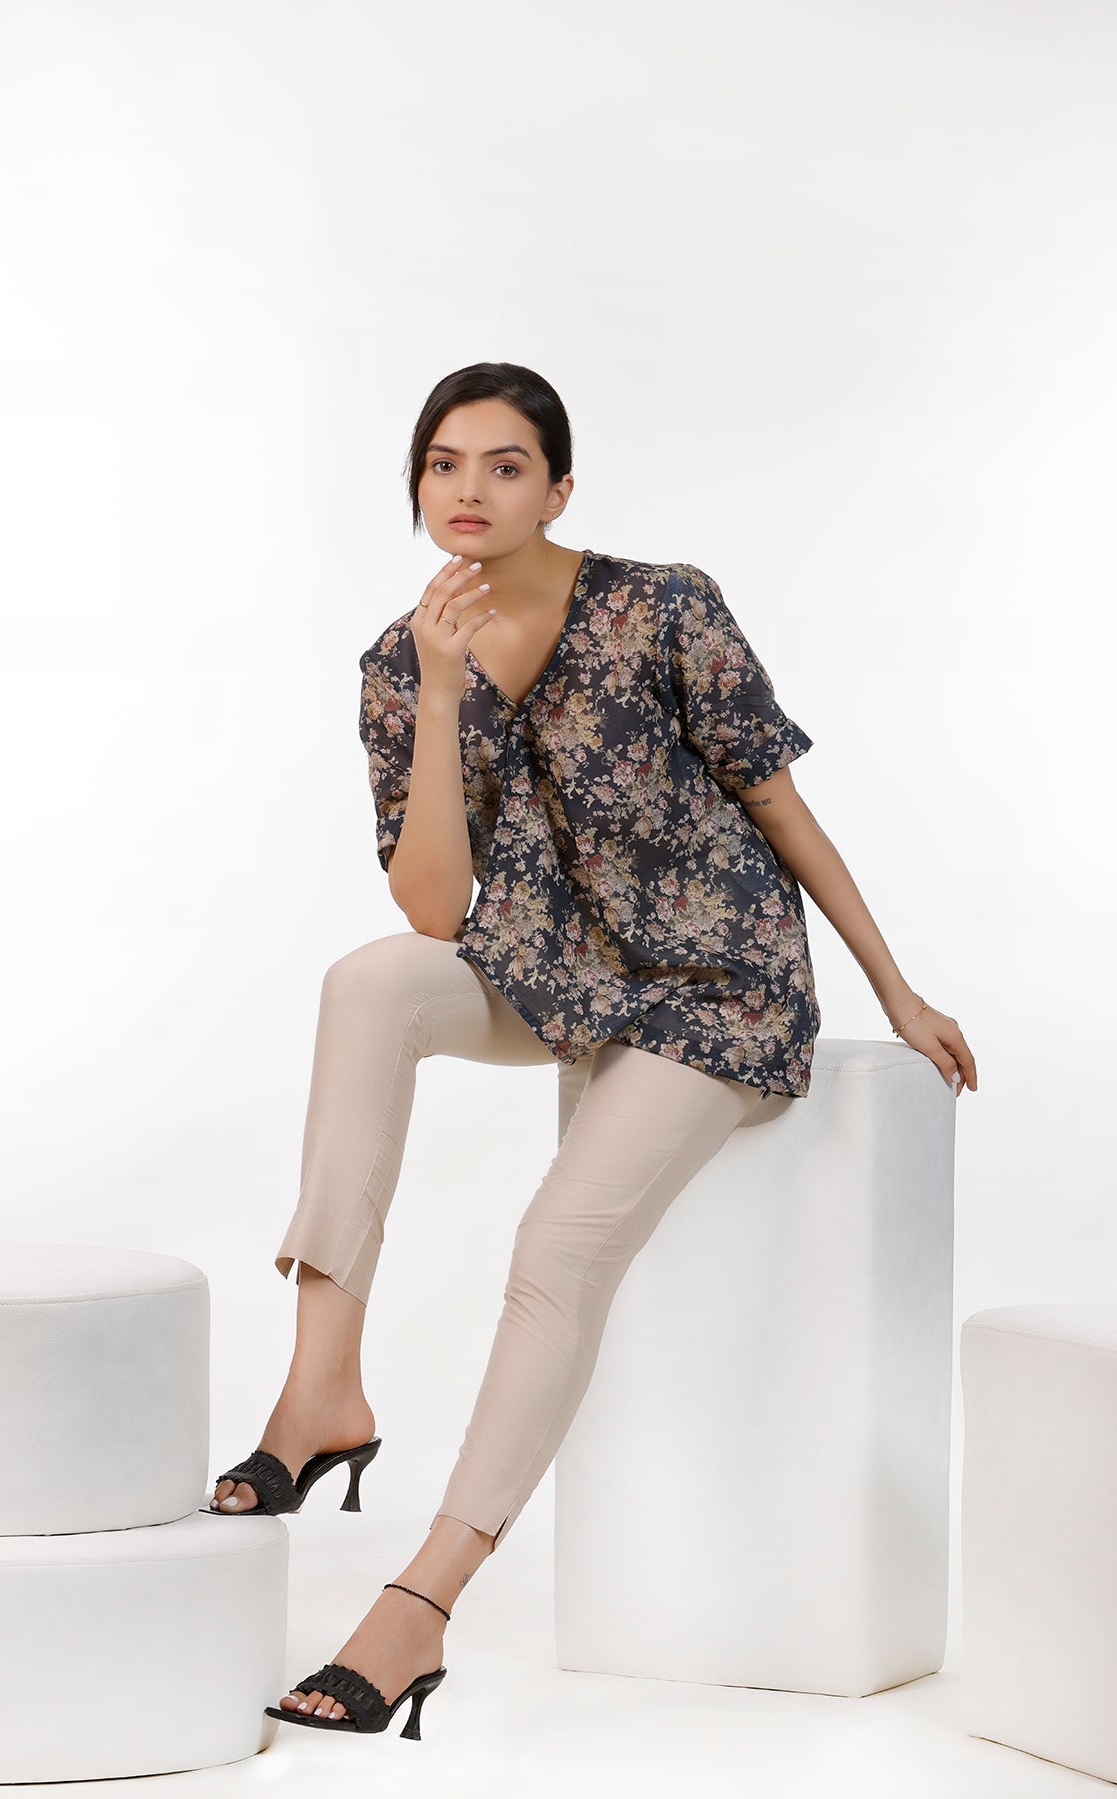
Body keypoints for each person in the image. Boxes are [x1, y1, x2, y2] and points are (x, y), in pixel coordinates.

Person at [208, 361, 978, 1739]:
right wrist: (438, 690)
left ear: (559, 489)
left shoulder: (666, 604)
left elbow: (780, 806)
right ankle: (322, 1385)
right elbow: (434, 908)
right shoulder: (398, 662)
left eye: (506, 465)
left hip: (715, 985)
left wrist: (896, 987)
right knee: (369, 984)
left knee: (556, 1247)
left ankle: (423, 1601)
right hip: (555, 973)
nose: (470, 489)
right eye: (444, 463)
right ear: (417, 485)